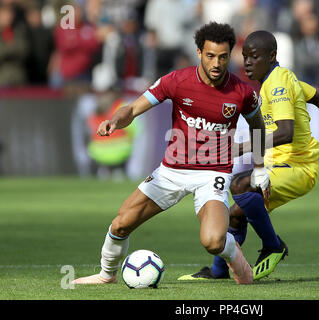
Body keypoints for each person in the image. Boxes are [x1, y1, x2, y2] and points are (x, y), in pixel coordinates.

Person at [72, 22, 270, 286]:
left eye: (223, 57)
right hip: (171, 172)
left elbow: (258, 127)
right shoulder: (177, 81)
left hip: (213, 174)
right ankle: (107, 275)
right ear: (199, 52)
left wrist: (259, 168)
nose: (217, 63)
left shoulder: (242, 92)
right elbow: (132, 109)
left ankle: (237, 258)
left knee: (213, 241)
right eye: (210, 56)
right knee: (120, 225)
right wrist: (115, 121)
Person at [179, 30, 319, 282]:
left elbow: (285, 132)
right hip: (280, 164)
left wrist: (239, 148)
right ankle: (218, 272)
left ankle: (273, 245)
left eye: (255, 57)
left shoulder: (278, 83)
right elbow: (318, 98)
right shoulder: (280, 79)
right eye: (245, 56)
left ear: (271, 56)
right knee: (234, 213)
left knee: (240, 185)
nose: (248, 63)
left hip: (297, 167)